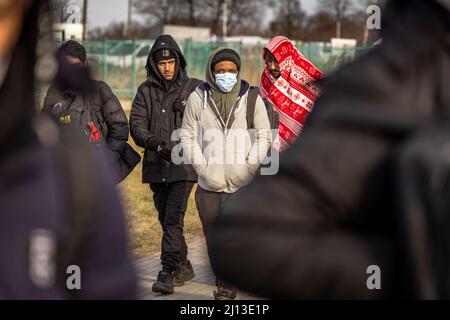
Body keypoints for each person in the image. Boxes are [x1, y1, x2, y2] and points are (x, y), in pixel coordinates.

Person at [208, 0, 450, 299]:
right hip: (301, 160)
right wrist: (418, 270)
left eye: (274, 57)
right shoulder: (391, 83)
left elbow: (306, 104)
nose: (271, 63)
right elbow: (244, 238)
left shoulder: (305, 74)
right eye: (268, 57)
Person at [0, 0, 137, 299]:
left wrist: (104, 164)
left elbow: (120, 129)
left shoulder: (99, 94)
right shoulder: (54, 95)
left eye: (2, 15)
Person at [180, 48, 272, 299]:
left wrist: (250, 165)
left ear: (238, 71)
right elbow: (187, 135)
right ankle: (224, 283)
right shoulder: (198, 97)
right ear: (211, 71)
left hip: (243, 183)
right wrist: (202, 168)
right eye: (220, 71)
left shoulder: (251, 97)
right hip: (209, 185)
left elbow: (264, 135)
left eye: (231, 71)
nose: (226, 75)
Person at [129, 34, 202, 295]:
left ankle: (167, 271)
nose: (167, 67)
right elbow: (136, 125)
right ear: (154, 65)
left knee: (173, 219)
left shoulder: (195, 88)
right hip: (155, 165)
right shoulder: (144, 91)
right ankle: (183, 265)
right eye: (162, 63)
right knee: (164, 219)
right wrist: (155, 144)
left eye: (171, 61)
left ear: (178, 61)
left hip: (184, 167)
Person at [42, 40, 139, 184]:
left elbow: (120, 128)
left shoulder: (100, 90)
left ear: (85, 64)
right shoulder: (54, 93)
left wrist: (106, 161)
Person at [260, 36, 323, 152]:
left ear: (286, 58)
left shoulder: (307, 75)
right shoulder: (266, 77)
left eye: (276, 61)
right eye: (269, 61)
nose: (272, 67)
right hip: (272, 147)